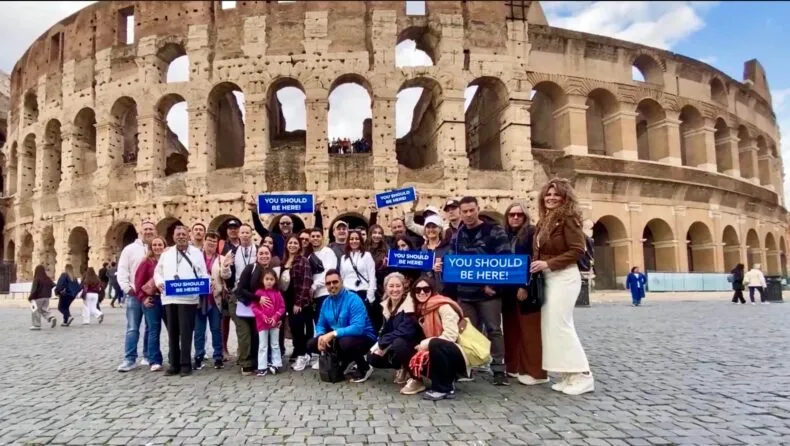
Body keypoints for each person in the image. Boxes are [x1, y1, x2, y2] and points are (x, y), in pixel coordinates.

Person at [531, 178, 594, 395]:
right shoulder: (544, 220)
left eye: (556, 194)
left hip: (565, 276)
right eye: (548, 194)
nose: (551, 198)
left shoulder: (569, 219)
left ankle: (583, 375)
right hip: (549, 277)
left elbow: (578, 250)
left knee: (562, 325)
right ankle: (568, 375)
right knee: (552, 327)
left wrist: (548, 263)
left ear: (565, 197)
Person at [445, 196, 511, 386]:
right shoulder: (457, 235)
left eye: (471, 210)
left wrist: (495, 286)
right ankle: (468, 367)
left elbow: (505, 260)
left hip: (489, 293)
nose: (468, 214)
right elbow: (453, 260)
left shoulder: (494, 230)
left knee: (494, 330)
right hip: (465, 294)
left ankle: (499, 369)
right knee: (467, 332)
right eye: (464, 211)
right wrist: (444, 266)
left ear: (478, 209)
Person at [502, 200, 548, 386]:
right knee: (511, 329)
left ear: (525, 217)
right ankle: (513, 367)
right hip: (507, 289)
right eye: (511, 214)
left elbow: (534, 260)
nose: (515, 217)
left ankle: (535, 372)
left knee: (530, 331)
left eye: (519, 214)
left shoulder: (531, 233)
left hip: (525, 287)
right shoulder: (504, 235)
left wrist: (525, 286)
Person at [154, 225, 210, 377]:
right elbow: (158, 272)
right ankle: (174, 363)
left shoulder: (197, 253)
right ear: (173, 237)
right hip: (169, 298)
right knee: (172, 332)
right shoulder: (167, 254)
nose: (181, 237)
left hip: (188, 298)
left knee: (186, 332)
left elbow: (203, 273)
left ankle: (185, 364)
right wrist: (159, 282)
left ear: (188, 235)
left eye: (183, 234)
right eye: (178, 234)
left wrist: (206, 284)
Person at [308, 269, 377, 383]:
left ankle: (365, 367)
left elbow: (358, 328)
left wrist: (333, 333)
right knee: (311, 344)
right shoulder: (326, 302)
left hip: (365, 336)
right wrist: (321, 336)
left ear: (342, 282)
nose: (332, 285)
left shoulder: (353, 299)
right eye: (328, 283)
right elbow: (320, 324)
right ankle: (345, 361)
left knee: (345, 343)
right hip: (342, 337)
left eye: (335, 282)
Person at [410, 276, 470, 400]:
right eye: (418, 290)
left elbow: (450, 335)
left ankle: (443, 388)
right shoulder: (421, 308)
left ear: (432, 290)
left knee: (436, 344)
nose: (422, 292)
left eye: (426, 289)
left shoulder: (443, 306)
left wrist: (424, 344)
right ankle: (444, 381)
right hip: (440, 349)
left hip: (458, 351)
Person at [366, 272, 422, 391]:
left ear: (403, 287)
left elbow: (406, 331)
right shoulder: (386, 305)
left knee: (399, 344)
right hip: (395, 342)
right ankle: (402, 367)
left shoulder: (410, 304)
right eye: (391, 286)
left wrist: (383, 343)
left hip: (414, 344)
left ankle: (416, 378)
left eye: (398, 286)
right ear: (386, 288)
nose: (395, 289)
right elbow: (385, 330)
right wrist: (378, 344)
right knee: (372, 357)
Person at [117, 220, 157, 372]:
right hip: (134, 294)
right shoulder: (130, 249)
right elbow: (122, 270)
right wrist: (127, 289)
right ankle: (129, 359)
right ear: (140, 231)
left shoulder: (157, 248)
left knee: (150, 327)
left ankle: (147, 356)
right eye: (145, 229)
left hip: (151, 294)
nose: (148, 232)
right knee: (133, 328)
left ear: (155, 231)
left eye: (151, 229)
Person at [234, 245, 280, 375]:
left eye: (267, 253)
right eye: (261, 253)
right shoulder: (251, 268)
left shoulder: (270, 272)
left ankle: (256, 362)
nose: (264, 256)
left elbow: (274, 292)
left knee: (256, 335)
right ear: (257, 255)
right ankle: (245, 362)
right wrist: (257, 298)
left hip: (257, 308)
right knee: (245, 334)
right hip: (244, 304)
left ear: (270, 256)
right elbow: (240, 288)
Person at [194, 231, 233, 370]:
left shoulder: (221, 258)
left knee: (216, 329)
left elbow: (226, 276)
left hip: (215, 299)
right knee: (199, 330)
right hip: (199, 299)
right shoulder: (196, 257)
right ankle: (199, 356)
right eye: (209, 240)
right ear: (204, 241)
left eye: (214, 241)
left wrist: (226, 266)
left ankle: (218, 356)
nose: (211, 243)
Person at [280, 235, 314, 371]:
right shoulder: (284, 261)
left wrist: (299, 303)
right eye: (290, 243)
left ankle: (302, 355)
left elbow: (306, 282)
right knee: (294, 329)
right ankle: (301, 354)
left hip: (298, 301)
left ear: (299, 246)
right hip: (287, 301)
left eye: (295, 243)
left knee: (299, 329)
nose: (292, 245)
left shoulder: (303, 260)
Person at [134, 235, 167, 372]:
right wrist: (143, 298)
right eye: (155, 245)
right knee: (154, 330)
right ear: (150, 247)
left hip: (167, 299)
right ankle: (154, 360)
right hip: (152, 299)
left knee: (173, 329)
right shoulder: (146, 263)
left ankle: (175, 356)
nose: (157, 247)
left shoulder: (169, 261)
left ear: (165, 246)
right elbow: (138, 282)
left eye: (160, 244)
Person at [251, 268, 286, 376]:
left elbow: (282, 307)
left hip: (274, 323)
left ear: (275, 281)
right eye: (267, 279)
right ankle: (262, 366)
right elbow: (254, 307)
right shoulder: (258, 293)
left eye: (271, 279)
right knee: (263, 345)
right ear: (263, 280)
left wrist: (275, 317)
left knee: (275, 344)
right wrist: (263, 317)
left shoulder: (277, 293)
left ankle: (276, 363)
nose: (269, 281)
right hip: (262, 323)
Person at [339, 230, 377, 328]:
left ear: (360, 240)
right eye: (351, 239)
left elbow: (372, 276)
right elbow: (342, 277)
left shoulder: (367, 255)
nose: (354, 241)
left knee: (364, 320)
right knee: (350, 320)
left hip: (363, 292)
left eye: (356, 239)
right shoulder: (344, 258)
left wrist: (370, 295)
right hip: (348, 293)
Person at [220, 218, 242, 360]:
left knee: (241, 320)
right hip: (227, 287)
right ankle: (224, 348)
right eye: (230, 228)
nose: (233, 230)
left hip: (240, 288)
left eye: (235, 228)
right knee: (225, 319)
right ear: (227, 231)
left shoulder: (243, 246)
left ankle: (241, 347)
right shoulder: (223, 247)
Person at [421, 215, 451, 294]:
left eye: (434, 227)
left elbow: (453, 268)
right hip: (427, 289)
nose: (431, 230)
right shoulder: (422, 248)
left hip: (445, 290)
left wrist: (443, 267)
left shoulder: (448, 247)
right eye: (428, 227)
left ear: (440, 229)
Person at [29, 265, 57, 330]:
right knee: (44, 309)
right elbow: (53, 285)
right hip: (47, 297)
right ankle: (51, 317)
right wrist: (47, 289)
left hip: (38, 297)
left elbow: (34, 289)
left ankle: (36, 325)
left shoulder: (37, 279)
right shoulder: (47, 278)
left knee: (36, 311)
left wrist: (30, 297)